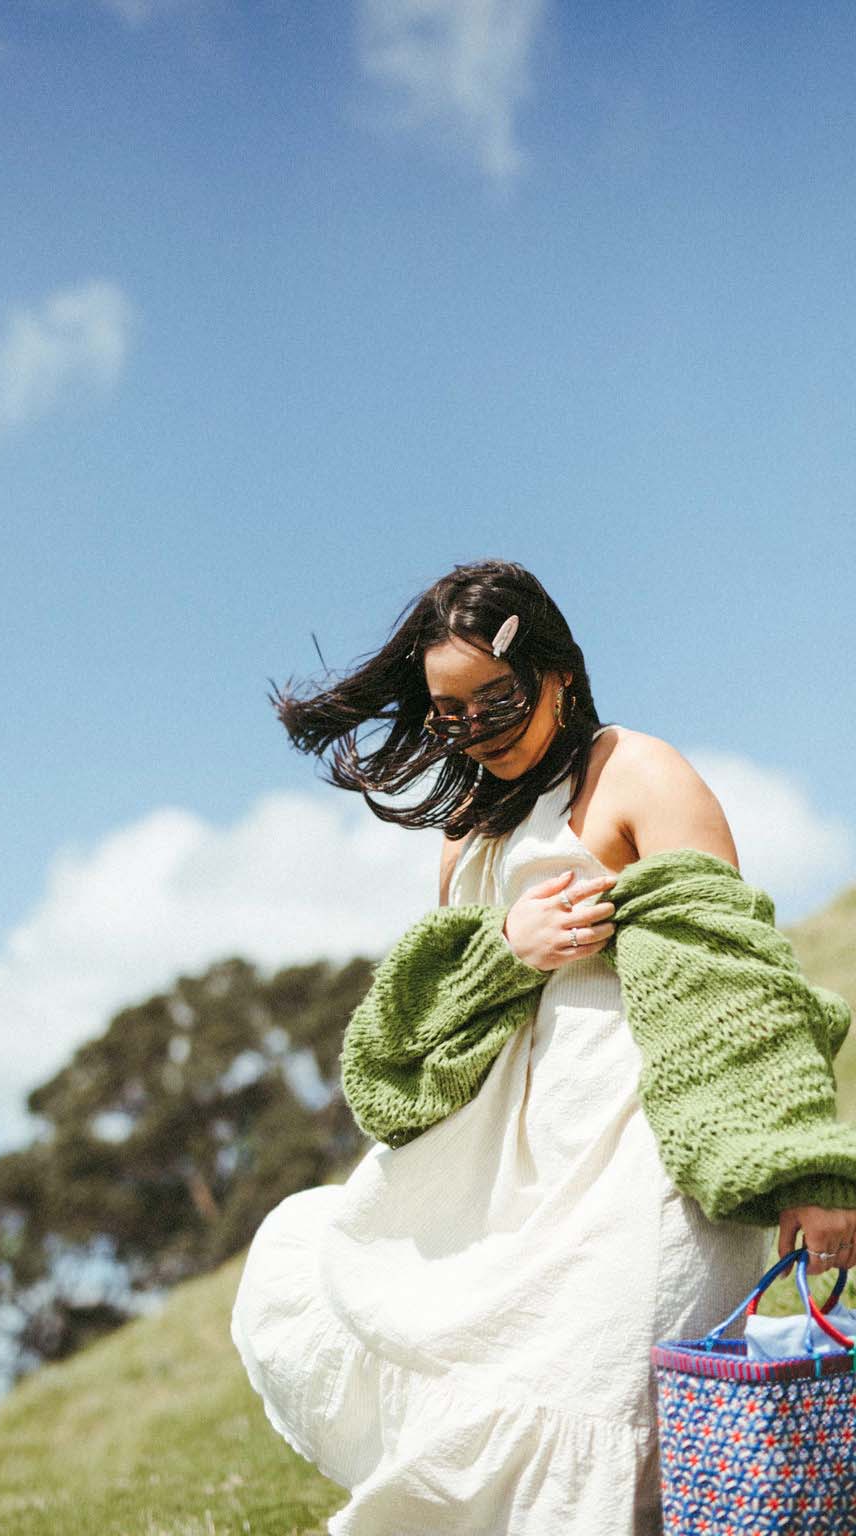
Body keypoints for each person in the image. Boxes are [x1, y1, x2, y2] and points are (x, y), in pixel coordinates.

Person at [230, 557, 856, 1535]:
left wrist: (802, 1169)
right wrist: (504, 952)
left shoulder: (636, 771)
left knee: (617, 1403)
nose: (480, 728)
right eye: (453, 715)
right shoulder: (463, 843)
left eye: (499, 699)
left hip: (646, 1150)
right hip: (514, 1171)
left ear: (557, 670)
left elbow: (731, 975)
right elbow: (418, 1034)